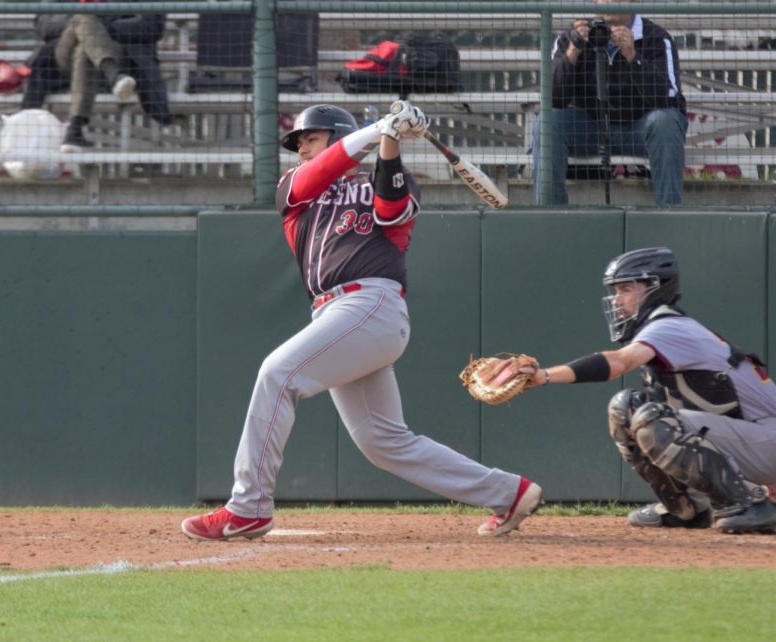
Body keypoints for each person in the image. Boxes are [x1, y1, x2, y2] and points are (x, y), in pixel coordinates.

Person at [181, 102, 543, 541]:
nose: (302, 150)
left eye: (310, 139)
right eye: (298, 143)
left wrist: (389, 138)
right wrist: (380, 128)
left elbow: (391, 208)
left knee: (277, 374)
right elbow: (320, 173)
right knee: (383, 441)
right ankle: (508, 493)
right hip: (337, 314)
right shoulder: (295, 189)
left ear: (335, 136)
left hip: (370, 304)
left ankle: (248, 508)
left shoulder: (389, 182)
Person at [519, 247, 776, 534]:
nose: (617, 300)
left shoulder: (669, 326)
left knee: (652, 418)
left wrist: (543, 376)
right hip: (750, 439)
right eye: (615, 290)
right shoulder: (661, 328)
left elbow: (618, 363)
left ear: (655, 288)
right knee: (626, 407)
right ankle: (687, 508)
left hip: (767, 439)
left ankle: (750, 504)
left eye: (626, 289)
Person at [532, 0, 687, 206]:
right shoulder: (571, 37)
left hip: (639, 129)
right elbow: (552, 98)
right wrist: (573, 52)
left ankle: (670, 218)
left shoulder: (657, 38)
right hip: (588, 129)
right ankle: (549, 219)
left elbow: (668, 97)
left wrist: (633, 56)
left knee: (666, 121)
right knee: (548, 123)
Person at [20, 0, 174, 153]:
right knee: (84, 17)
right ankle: (114, 76)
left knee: (85, 50)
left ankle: (75, 130)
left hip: (121, 53)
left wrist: (103, 27)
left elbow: (152, 26)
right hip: (65, 54)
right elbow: (45, 25)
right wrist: (91, 22)